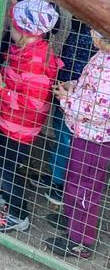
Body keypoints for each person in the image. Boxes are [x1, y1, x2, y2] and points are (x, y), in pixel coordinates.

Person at [0, 0, 62, 232]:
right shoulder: (25, 49)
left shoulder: (36, 61)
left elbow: (34, 103)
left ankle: (18, 215)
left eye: (13, 27)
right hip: (7, 118)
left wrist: (2, 90)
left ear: (25, 31)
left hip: (20, 127)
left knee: (6, 169)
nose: (10, 30)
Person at [45, 29, 110, 259]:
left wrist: (67, 100)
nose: (91, 35)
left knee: (85, 188)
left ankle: (81, 240)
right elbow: (88, 86)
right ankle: (73, 219)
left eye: (95, 32)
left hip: (95, 140)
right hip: (83, 133)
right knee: (74, 180)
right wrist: (72, 86)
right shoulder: (101, 56)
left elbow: (100, 111)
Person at [30, 17, 96, 206]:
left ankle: (61, 185)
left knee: (67, 140)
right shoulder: (83, 28)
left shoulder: (95, 35)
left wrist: (70, 93)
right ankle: (55, 176)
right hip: (66, 87)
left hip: (77, 97)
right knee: (60, 132)